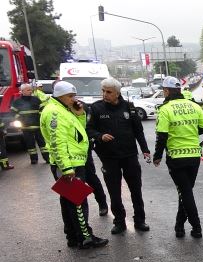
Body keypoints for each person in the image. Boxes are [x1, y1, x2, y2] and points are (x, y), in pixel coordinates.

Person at [40, 81, 108, 249]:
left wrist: (79, 115)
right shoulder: (55, 112)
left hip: (74, 162)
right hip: (70, 164)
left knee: (68, 201)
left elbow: (77, 132)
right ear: (60, 96)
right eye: (70, 96)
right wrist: (66, 168)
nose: (73, 99)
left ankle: (72, 236)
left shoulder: (63, 110)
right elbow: (57, 143)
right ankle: (86, 237)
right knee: (78, 202)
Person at [87, 78, 151, 235]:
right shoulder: (96, 108)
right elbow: (88, 129)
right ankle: (119, 221)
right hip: (109, 158)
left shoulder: (129, 107)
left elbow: (138, 131)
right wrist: (100, 136)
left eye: (108, 92)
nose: (105, 94)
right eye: (103, 91)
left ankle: (140, 220)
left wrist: (145, 149)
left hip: (129, 156)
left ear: (117, 93)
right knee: (114, 192)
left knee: (136, 190)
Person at [153, 76, 203, 238]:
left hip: (176, 158)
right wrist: (191, 132)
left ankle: (197, 227)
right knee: (185, 192)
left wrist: (157, 156)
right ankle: (179, 226)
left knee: (185, 193)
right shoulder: (193, 106)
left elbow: (162, 135)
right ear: (179, 89)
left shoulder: (165, 109)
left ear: (166, 91)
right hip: (194, 156)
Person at [11, 83, 48, 164]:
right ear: (22, 91)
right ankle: (34, 159)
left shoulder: (36, 99)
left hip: (38, 126)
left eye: (30, 89)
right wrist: (21, 119)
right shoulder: (17, 102)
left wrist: (41, 119)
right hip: (26, 127)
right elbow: (13, 113)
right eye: (28, 90)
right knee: (30, 145)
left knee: (42, 144)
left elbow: (42, 110)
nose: (30, 91)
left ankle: (47, 158)